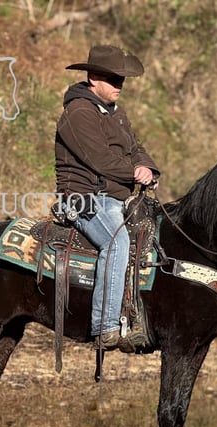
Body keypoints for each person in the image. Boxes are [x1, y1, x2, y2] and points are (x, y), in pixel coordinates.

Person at [55, 45, 160, 350]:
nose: (119, 86)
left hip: (118, 199)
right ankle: (106, 325)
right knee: (116, 242)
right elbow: (99, 159)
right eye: (114, 79)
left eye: (122, 80)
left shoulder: (117, 113)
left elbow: (136, 147)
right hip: (85, 198)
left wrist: (147, 166)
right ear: (93, 78)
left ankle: (139, 318)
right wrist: (134, 173)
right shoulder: (78, 113)